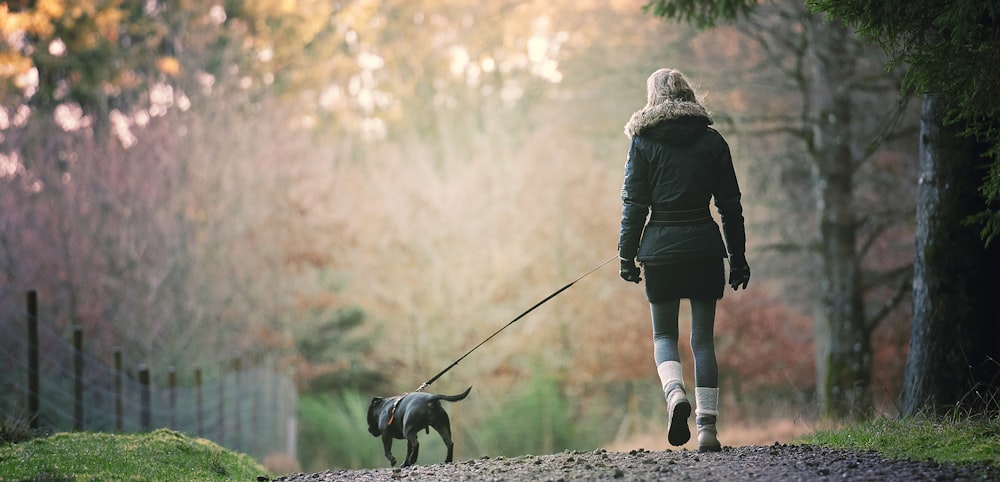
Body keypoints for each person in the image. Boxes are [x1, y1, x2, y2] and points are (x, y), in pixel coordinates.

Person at [617, 68, 750, 453]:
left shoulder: (642, 142)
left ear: (652, 98)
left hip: (659, 249)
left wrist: (626, 254)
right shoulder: (712, 141)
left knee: (664, 336)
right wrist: (738, 259)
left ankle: (675, 396)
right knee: (703, 341)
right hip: (706, 248)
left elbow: (634, 203)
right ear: (689, 94)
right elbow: (730, 205)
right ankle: (707, 429)